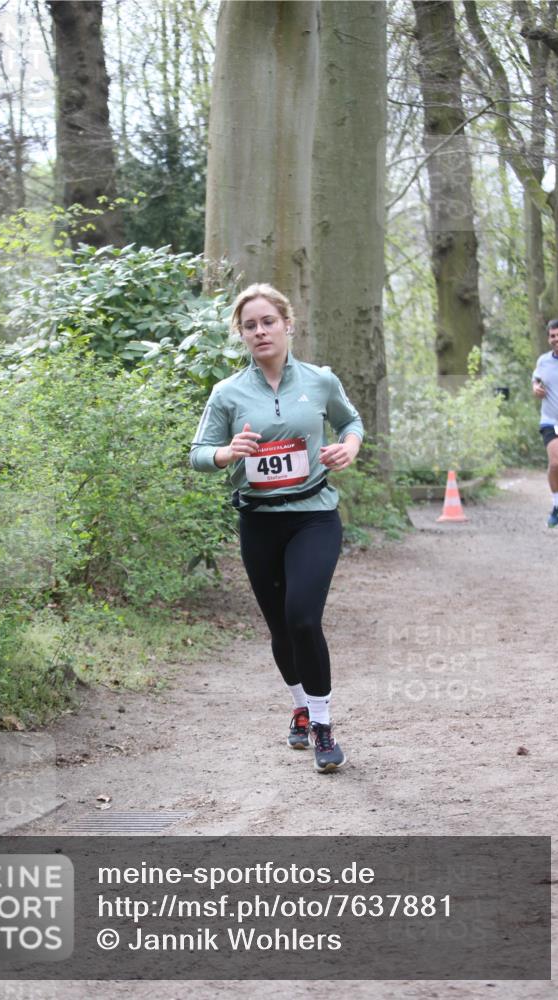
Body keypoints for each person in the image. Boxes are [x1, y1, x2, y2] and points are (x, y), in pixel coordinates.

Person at [190, 283, 363, 773]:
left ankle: (324, 725)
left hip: (314, 515)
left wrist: (348, 447)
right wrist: (228, 453)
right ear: (241, 334)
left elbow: (352, 423)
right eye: (250, 325)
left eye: (268, 321)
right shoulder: (227, 393)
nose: (260, 331)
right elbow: (198, 453)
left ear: (288, 325)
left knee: (304, 617)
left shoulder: (320, 380)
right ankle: (300, 706)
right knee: (280, 626)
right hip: (259, 522)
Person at [532, 318, 558, 528]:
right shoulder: (543, 361)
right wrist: (536, 389)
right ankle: (557, 506)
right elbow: (536, 381)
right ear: (549, 339)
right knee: (555, 463)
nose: (557, 339)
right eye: (553, 336)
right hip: (552, 421)